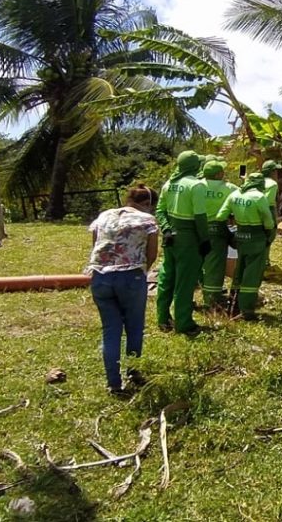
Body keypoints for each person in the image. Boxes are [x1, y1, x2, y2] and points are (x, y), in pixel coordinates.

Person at [86, 184, 158, 396]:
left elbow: (95, 246)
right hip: (130, 276)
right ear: (147, 204)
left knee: (111, 330)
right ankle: (133, 371)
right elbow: (151, 252)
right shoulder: (147, 220)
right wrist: (142, 271)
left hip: (99, 277)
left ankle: (114, 384)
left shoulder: (105, 215)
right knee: (134, 327)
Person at [155, 150, 209, 335]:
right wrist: (205, 240)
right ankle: (184, 323)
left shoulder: (169, 183)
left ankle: (162, 318)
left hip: (170, 237)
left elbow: (160, 211)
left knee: (166, 277)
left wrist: (166, 229)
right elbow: (200, 217)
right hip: (189, 238)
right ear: (196, 166)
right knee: (185, 282)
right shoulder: (196, 186)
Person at [218, 171, 275, 320]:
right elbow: (268, 222)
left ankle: (233, 303)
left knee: (240, 270)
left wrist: (230, 234)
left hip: (240, 236)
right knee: (252, 274)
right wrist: (269, 236)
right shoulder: (259, 197)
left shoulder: (235, 195)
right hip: (256, 238)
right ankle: (247, 310)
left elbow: (220, 216)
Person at [201, 159, 236, 309]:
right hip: (217, 229)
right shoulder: (230, 188)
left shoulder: (196, 186)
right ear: (220, 173)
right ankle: (212, 300)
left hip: (196, 228)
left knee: (199, 263)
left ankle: (201, 291)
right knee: (215, 264)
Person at [260, 159, 282, 270]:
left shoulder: (257, 181)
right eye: (275, 171)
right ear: (272, 172)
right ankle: (264, 262)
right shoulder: (272, 184)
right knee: (269, 237)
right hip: (267, 210)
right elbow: (268, 202)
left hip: (254, 211)